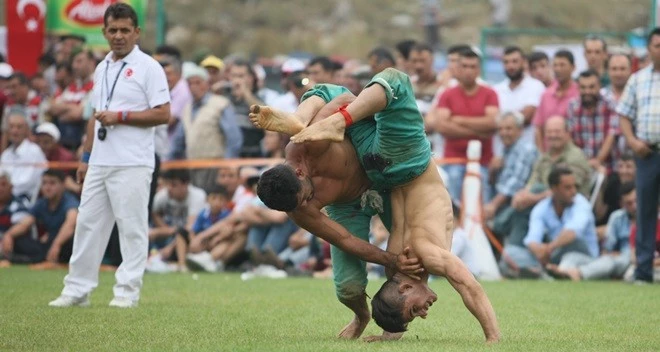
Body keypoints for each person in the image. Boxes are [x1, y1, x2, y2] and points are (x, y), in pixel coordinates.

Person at [252, 68, 499, 343]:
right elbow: (345, 240)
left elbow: (342, 95)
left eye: (305, 196)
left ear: (299, 172)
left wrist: (493, 338)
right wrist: (390, 263)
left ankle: (302, 116)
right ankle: (362, 317)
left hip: (386, 166)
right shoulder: (299, 209)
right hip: (374, 181)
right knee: (348, 288)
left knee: (380, 85)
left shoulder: (308, 145)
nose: (308, 203)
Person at [49, 3, 171, 308]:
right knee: (87, 225)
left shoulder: (149, 67)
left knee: (131, 228)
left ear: (137, 32)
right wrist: (85, 158)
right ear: (104, 32)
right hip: (100, 160)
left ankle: (126, 294)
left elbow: (164, 114)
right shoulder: (102, 67)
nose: (118, 36)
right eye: (113, 30)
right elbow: (94, 115)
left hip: (132, 162)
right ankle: (77, 290)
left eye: (125, 30)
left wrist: (122, 116)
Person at [616, 27, 660, 284]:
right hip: (647, 154)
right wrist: (632, 142)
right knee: (644, 212)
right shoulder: (638, 79)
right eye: (656, 45)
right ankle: (643, 271)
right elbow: (624, 114)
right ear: (649, 49)